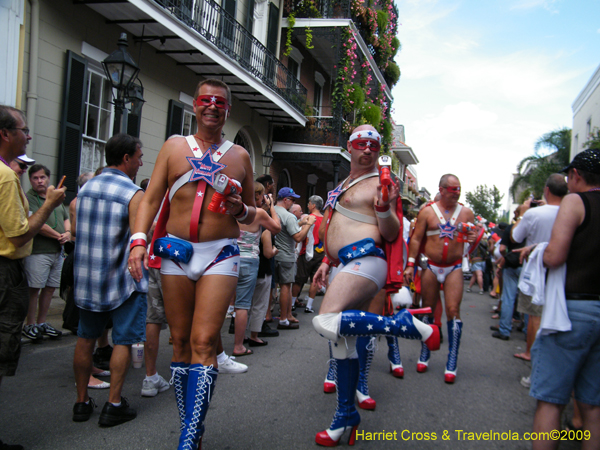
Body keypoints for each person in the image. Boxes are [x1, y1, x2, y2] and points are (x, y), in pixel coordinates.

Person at [128, 79, 257, 449]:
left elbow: (250, 214)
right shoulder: (173, 147)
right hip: (176, 254)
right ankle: (192, 429)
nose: (212, 106)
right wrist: (139, 242)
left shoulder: (240, 156)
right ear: (196, 106)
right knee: (180, 341)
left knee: (203, 341)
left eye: (220, 102)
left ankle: (187, 437)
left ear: (227, 109)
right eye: (206, 100)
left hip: (220, 253)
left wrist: (239, 207)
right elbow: (151, 200)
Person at [311, 124, 439, 446]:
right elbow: (335, 225)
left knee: (325, 320)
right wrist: (326, 262)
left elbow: (393, 232)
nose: (367, 149)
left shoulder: (383, 183)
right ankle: (345, 417)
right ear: (350, 147)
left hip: (367, 260)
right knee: (342, 341)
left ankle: (403, 325)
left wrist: (384, 207)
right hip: (343, 264)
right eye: (361, 143)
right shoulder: (344, 184)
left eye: (373, 144)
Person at [0, 105, 66, 450]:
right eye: (23, 130)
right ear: (5, 134)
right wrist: (50, 204)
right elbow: (18, 234)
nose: (28, 136)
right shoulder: (6, 177)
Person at [71, 133, 146, 427]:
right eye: (139, 157)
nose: (140, 163)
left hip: (88, 278)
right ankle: (113, 404)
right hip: (123, 279)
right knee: (123, 341)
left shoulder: (86, 189)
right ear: (126, 158)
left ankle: (80, 402)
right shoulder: (132, 193)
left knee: (85, 339)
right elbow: (142, 235)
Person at [529, 149, 600, 449]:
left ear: (576, 176)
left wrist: (537, 253)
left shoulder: (575, 201)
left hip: (572, 312)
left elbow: (555, 257)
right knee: (593, 407)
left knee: (551, 400)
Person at [403, 174, 478, 383]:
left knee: (453, 310)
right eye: (453, 189)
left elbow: (471, 243)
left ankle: (451, 359)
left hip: (454, 266)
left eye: (459, 189)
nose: (457, 193)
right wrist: (410, 264)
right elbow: (416, 239)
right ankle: (425, 351)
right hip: (431, 265)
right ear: (442, 189)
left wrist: (473, 240)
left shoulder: (466, 212)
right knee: (428, 308)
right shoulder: (427, 212)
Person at [510, 174, 567, 369]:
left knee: (534, 317)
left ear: (547, 190)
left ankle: (531, 355)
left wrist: (522, 214)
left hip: (534, 272)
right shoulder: (569, 212)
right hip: (562, 272)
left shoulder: (534, 214)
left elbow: (516, 237)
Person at [22, 164, 70, 342]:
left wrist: (67, 233)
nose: (39, 181)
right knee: (34, 288)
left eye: (42, 177)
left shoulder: (55, 197)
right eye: (35, 178)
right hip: (38, 251)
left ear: (48, 178)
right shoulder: (30, 198)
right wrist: (59, 236)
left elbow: (66, 218)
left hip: (57, 252)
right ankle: (30, 324)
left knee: (50, 289)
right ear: (30, 180)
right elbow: (37, 224)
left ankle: (42, 322)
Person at [232, 181, 280, 355]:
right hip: (249, 261)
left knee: (225, 304)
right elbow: (277, 227)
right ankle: (238, 346)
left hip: (230, 259)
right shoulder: (258, 213)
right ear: (258, 196)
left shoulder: (231, 210)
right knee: (243, 305)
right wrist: (272, 207)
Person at [274, 187, 316, 329]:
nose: (293, 203)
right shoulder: (288, 215)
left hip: (274, 254)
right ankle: (284, 318)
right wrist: (309, 224)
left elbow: (284, 230)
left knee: (272, 287)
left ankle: (269, 316)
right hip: (286, 255)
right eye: (292, 200)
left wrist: (300, 224)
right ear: (285, 200)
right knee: (286, 286)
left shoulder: (272, 211)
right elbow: (298, 237)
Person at [489, 206, 526, 341]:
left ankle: (504, 329)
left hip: (511, 265)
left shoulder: (511, 229)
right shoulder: (532, 227)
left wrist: (506, 258)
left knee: (508, 297)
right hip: (527, 265)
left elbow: (503, 248)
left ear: (516, 214)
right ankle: (528, 331)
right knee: (527, 298)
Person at [292, 195, 325, 314]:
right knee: (315, 280)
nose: (308, 205)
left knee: (299, 279)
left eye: (309, 203)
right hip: (320, 252)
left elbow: (302, 235)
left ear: (314, 205)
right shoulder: (325, 219)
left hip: (307, 251)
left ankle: (291, 304)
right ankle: (309, 306)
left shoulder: (309, 218)